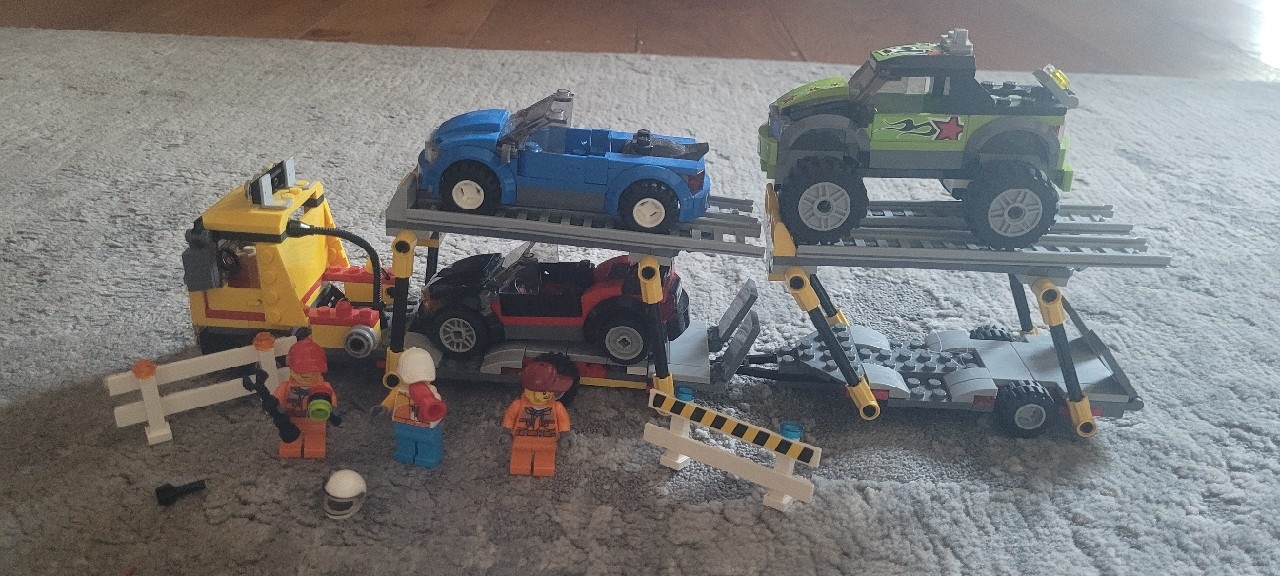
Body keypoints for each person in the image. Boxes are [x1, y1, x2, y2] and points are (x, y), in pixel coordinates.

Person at [503, 359, 572, 476]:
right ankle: (520, 466)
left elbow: (563, 421)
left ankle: (543, 467)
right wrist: (506, 432)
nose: (551, 394)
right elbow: (509, 418)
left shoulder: (557, 407)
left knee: (545, 461)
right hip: (521, 441)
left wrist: (565, 434)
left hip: (547, 442)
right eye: (546, 392)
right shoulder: (518, 405)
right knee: (519, 461)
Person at [273, 336, 337, 459]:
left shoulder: (324, 387)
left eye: (313, 371)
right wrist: (275, 406)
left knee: (315, 440)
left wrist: (332, 409)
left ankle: (314, 445)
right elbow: (276, 400)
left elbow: (332, 401)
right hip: (292, 421)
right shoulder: (285, 386)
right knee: (290, 442)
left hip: (316, 420)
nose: (306, 375)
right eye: (300, 371)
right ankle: (292, 445)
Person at [384, 347, 447, 468]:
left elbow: (437, 410)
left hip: (424, 424)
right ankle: (406, 454)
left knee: (427, 441)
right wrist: (383, 407)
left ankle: (427, 457)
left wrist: (431, 405)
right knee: (404, 439)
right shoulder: (400, 391)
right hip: (402, 422)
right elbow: (391, 400)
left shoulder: (432, 394)